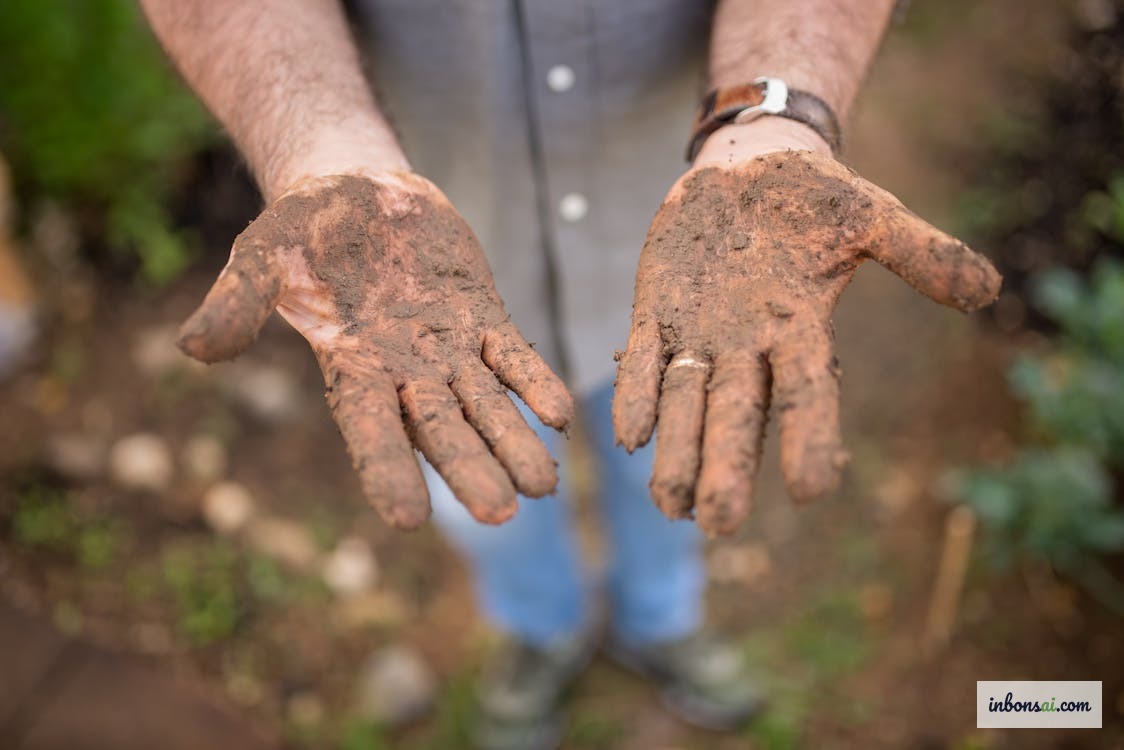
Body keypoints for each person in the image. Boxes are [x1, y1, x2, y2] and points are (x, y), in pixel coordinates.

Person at [139, 1, 1001, 748]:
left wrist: (770, 114)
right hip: (421, 267)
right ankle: (540, 632)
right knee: (486, 505)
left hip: (689, 229)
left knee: (681, 470)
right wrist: (322, 149)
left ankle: (659, 622)